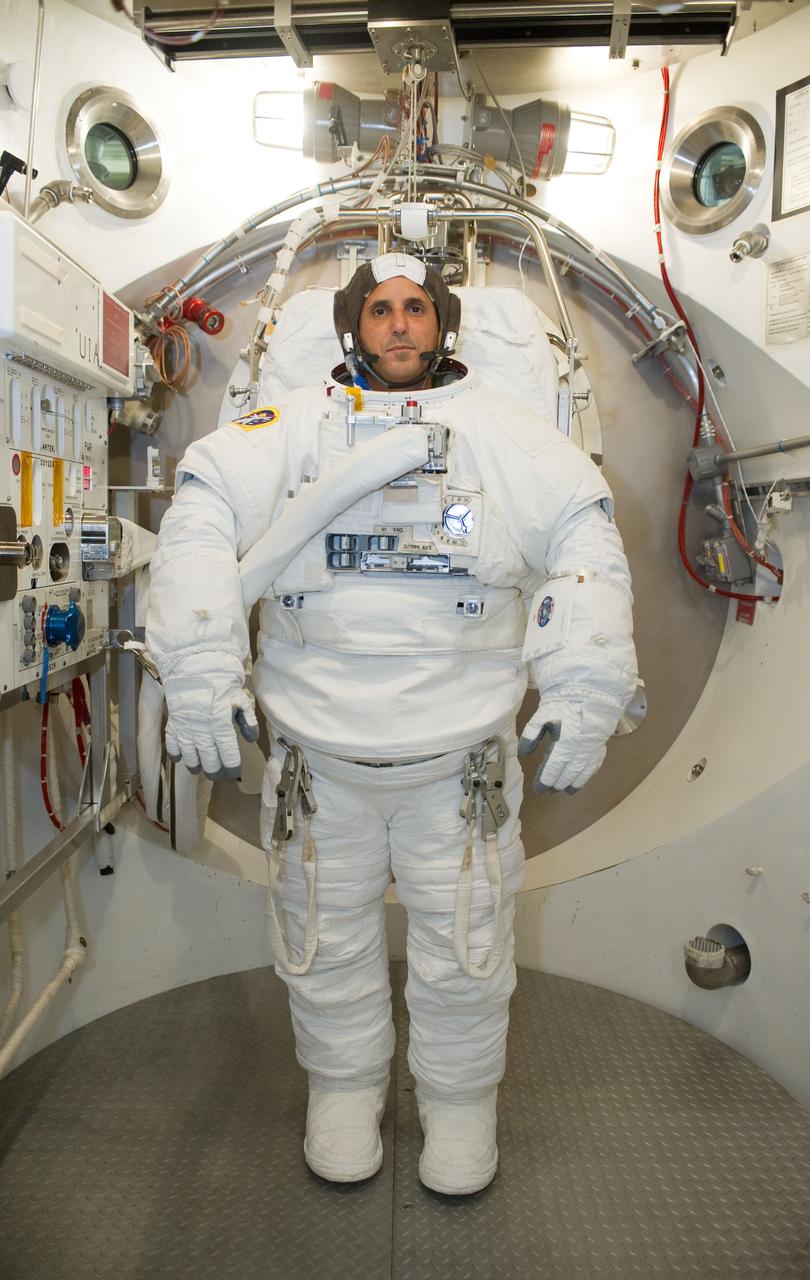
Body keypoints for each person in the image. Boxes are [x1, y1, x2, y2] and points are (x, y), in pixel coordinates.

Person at [145, 252, 637, 1196]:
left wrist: (585, 685)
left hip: (457, 772)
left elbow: (584, 540)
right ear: (352, 326)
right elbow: (200, 517)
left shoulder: (504, 433)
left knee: (466, 954)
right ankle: (343, 1089)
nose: (399, 323)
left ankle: (459, 1104)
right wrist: (201, 665)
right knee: (322, 946)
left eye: (416, 307)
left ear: (442, 323)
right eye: (379, 309)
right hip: (317, 767)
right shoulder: (287, 429)